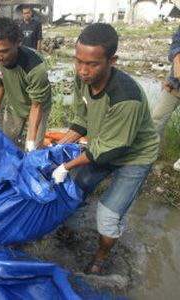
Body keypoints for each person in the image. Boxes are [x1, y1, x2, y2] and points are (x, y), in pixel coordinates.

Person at [51, 23, 159, 275]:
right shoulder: (82, 81)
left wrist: (65, 166)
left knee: (108, 213)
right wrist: (56, 151)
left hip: (133, 155)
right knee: (76, 190)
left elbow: (106, 152)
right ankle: (70, 229)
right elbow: (81, 122)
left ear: (112, 60)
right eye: (78, 61)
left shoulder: (125, 97)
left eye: (92, 64)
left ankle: (100, 258)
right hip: (104, 143)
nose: (83, 71)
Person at [0, 17, 51, 151]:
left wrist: (31, 141)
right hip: (15, 105)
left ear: (18, 43)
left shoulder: (35, 67)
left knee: (33, 150)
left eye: (4, 51)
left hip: (38, 107)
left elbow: (36, 106)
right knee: (7, 141)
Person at [152, 25, 180, 171]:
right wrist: (177, 61)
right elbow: (176, 44)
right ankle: (151, 154)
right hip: (176, 83)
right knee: (157, 117)